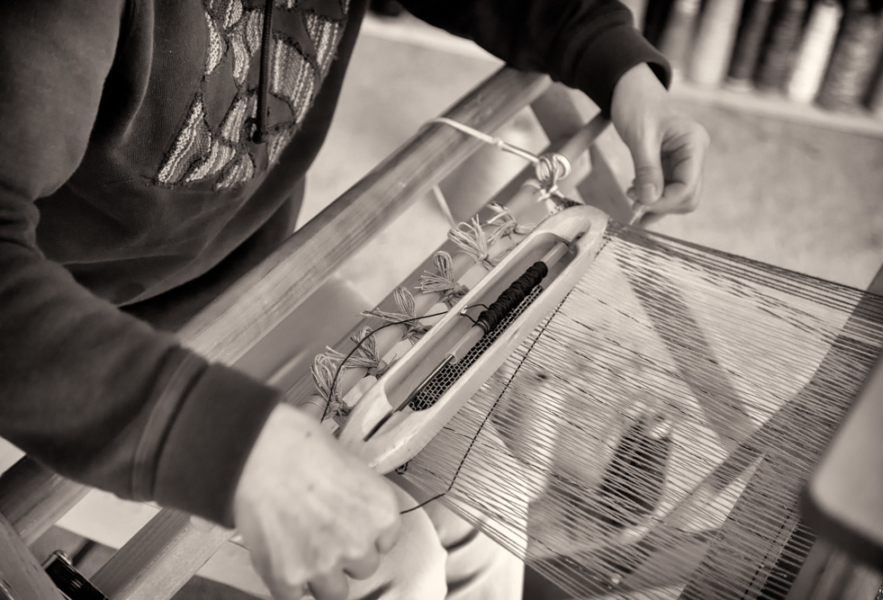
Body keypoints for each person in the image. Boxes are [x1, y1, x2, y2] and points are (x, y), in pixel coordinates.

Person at [0, 0, 709, 598]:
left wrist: (614, 59)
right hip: (58, 349)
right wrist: (223, 446)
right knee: (402, 569)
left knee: (487, 523)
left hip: (240, 290)